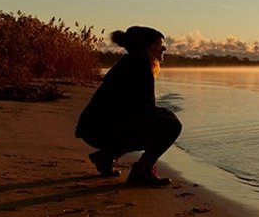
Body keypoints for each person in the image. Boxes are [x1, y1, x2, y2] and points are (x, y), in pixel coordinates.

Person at [75, 26, 180, 186]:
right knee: (172, 126)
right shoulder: (141, 66)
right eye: (159, 43)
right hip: (99, 130)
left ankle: (106, 157)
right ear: (148, 46)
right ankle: (142, 171)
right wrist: (166, 116)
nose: (164, 47)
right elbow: (143, 110)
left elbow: (135, 108)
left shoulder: (133, 63)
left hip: (94, 128)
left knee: (165, 118)